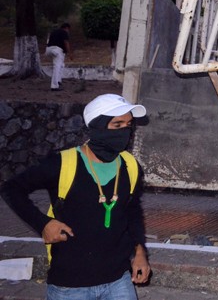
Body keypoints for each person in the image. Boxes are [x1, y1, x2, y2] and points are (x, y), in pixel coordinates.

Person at [0, 93, 151, 299]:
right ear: (97, 127)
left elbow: (131, 212)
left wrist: (139, 251)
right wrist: (43, 224)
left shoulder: (129, 165)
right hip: (71, 285)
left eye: (128, 125)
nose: (125, 131)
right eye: (117, 125)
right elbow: (12, 189)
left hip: (118, 280)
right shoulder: (63, 164)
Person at [45, 23, 73, 91]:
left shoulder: (53, 32)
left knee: (61, 65)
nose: (68, 31)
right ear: (66, 28)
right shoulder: (64, 32)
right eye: (68, 30)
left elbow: (48, 41)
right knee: (57, 67)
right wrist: (70, 54)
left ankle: (58, 80)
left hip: (49, 49)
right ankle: (54, 86)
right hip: (57, 50)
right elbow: (66, 42)